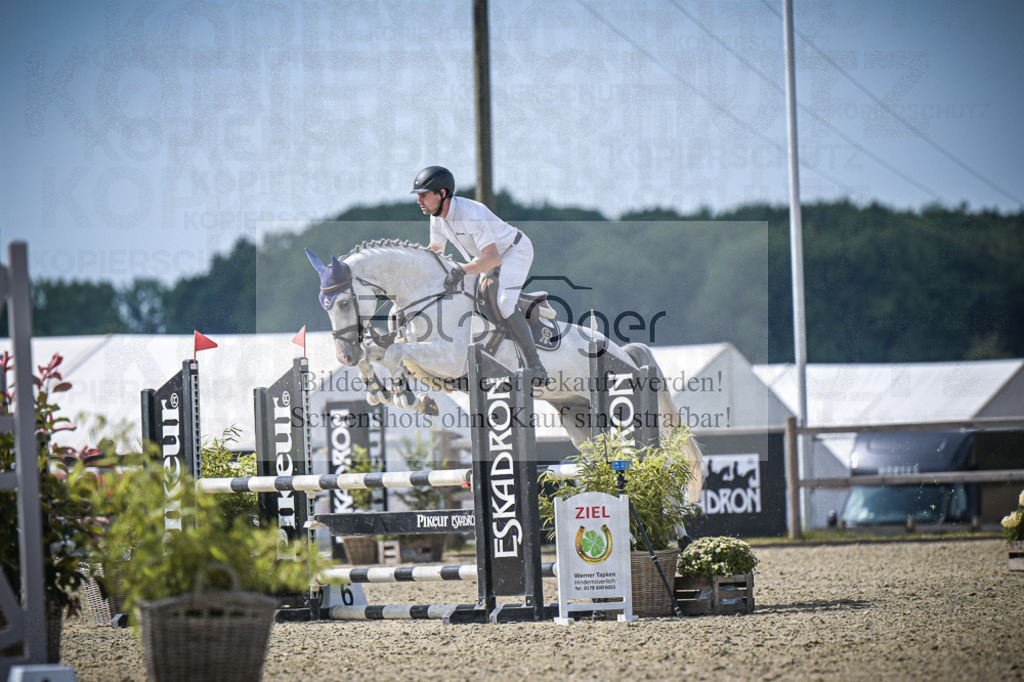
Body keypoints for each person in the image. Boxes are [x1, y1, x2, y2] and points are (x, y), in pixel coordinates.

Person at [411, 165, 547, 384]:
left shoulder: (470, 214)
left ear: (442, 193)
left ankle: (535, 364)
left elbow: (493, 258)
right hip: (486, 259)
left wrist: (461, 270)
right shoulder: (437, 218)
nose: (419, 201)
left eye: (424, 195)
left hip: (514, 251)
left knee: (503, 303)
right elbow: (435, 253)